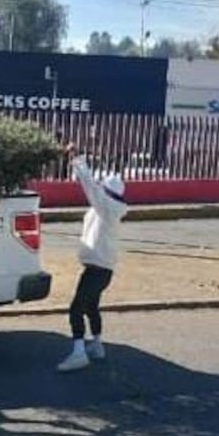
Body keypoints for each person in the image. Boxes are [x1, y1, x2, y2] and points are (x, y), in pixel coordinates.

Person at [57, 142, 130, 373]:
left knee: (76, 309)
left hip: (97, 269)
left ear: (107, 192)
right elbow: (93, 190)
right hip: (102, 269)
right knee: (91, 306)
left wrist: (77, 159)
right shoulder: (108, 208)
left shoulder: (106, 207)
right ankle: (97, 345)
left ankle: (79, 353)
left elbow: (89, 186)